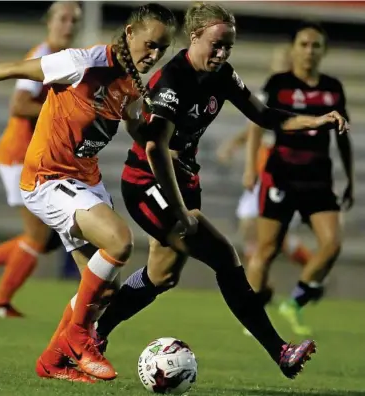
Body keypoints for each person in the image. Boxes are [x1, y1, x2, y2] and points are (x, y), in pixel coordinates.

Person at [95, 4, 348, 380]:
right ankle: (281, 351)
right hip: (148, 182)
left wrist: (318, 120)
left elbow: (264, 116)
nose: (222, 54)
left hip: (183, 182)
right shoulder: (172, 80)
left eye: (228, 46)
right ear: (194, 36)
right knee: (224, 255)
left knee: (162, 276)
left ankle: (93, 334)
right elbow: (154, 149)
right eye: (216, 45)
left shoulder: (221, 75)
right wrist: (181, 211)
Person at [0, 3, 177, 382]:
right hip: (48, 178)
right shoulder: (83, 62)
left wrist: (161, 132)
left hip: (86, 181)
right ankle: (79, 340)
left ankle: (52, 360)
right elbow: (17, 70)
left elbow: (134, 123)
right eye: (150, 44)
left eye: (161, 50)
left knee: (102, 293)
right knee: (120, 241)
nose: (153, 55)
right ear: (130, 33)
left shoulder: (135, 83)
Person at [0, 2, 82, 318]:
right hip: (19, 155)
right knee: (40, 237)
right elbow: (18, 105)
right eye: (63, 18)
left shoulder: (63, 60)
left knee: (45, 239)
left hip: (38, 159)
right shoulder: (40, 57)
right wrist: (62, 113)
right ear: (49, 22)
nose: (69, 25)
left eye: (74, 20)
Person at [243, 21, 353, 336]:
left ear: (324, 51)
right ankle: (253, 317)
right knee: (266, 249)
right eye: (303, 44)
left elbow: (342, 136)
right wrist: (251, 168)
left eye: (315, 45)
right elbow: (257, 125)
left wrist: (350, 179)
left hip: (319, 178)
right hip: (281, 175)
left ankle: (294, 303)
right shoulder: (278, 83)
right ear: (293, 49)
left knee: (331, 245)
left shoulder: (333, 88)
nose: (309, 51)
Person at [216, 43, 312, 306]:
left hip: (279, 175)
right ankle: (261, 288)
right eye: (278, 61)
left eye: (285, 61)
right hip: (262, 173)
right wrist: (236, 146)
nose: (280, 65)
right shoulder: (271, 90)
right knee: (251, 231)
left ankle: (310, 271)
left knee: (271, 239)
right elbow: (255, 124)